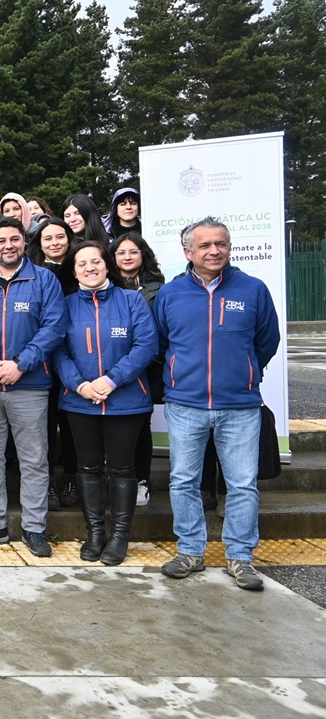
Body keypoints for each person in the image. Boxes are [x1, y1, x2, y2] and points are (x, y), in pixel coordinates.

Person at [154, 218, 280, 591]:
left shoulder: (253, 290)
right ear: (187, 252)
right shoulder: (170, 294)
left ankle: (240, 558)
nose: (214, 251)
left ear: (229, 247)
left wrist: (243, 371)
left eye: (221, 243)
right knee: (183, 481)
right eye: (205, 245)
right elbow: (162, 345)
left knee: (242, 484)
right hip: (186, 404)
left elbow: (266, 341)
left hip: (240, 405)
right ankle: (191, 551)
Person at [0, 217, 66, 558]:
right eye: (1, 239)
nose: (8, 245)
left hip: (30, 384)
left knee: (34, 459)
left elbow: (53, 327)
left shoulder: (44, 279)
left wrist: (21, 364)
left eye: (14, 239)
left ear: (24, 242)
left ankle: (34, 528)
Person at [53, 241, 158, 566]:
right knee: (88, 469)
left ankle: (119, 536)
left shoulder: (131, 301)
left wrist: (111, 380)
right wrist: (81, 385)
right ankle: (95, 532)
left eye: (95, 261)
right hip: (80, 402)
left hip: (126, 401)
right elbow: (58, 350)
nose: (89, 267)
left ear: (106, 264)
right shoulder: (66, 305)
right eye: (81, 263)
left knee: (123, 469)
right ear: (74, 270)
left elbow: (146, 345)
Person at [26, 215, 79, 507]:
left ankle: (71, 476)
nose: (55, 242)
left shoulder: (81, 268)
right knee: (43, 425)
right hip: (41, 359)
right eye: (48, 238)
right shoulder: (33, 274)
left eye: (60, 237)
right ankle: (45, 481)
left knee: (70, 423)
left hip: (75, 357)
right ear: (39, 243)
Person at [111, 232, 166, 506]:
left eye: (133, 251)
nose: (127, 257)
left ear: (143, 255)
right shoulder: (104, 285)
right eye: (121, 253)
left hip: (146, 368)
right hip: (108, 369)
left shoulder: (159, 288)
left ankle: (141, 480)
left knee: (140, 426)